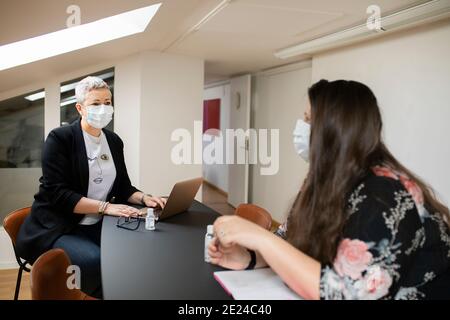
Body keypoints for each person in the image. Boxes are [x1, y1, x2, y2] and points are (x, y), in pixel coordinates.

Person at [208, 79, 450, 300]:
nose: (300, 130)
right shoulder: (320, 182)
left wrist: (260, 238)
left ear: (336, 131)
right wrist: (249, 258)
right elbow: (289, 242)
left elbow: (351, 294)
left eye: (308, 120)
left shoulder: (387, 195)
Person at [16, 76, 167, 298]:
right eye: (96, 103)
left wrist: (145, 198)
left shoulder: (113, 141)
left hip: (97, 224)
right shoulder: (60, 138)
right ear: (80, 108)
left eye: (107, 102)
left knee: (139, 250)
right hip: (59, 225)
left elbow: (123, 186)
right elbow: (58, 194)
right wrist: (106, 207)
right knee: (94, 261)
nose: (103, 108)